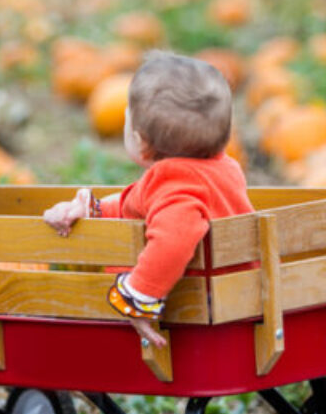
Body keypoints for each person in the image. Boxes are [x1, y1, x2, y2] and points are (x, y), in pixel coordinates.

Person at [43, 51, 254, 347]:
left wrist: (139, 297)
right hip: (233, 297)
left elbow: (174, 239)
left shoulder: (174, 184)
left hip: (201, 314)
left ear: (140, 141)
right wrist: (94, 209)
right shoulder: (222, 169)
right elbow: (139, 205)